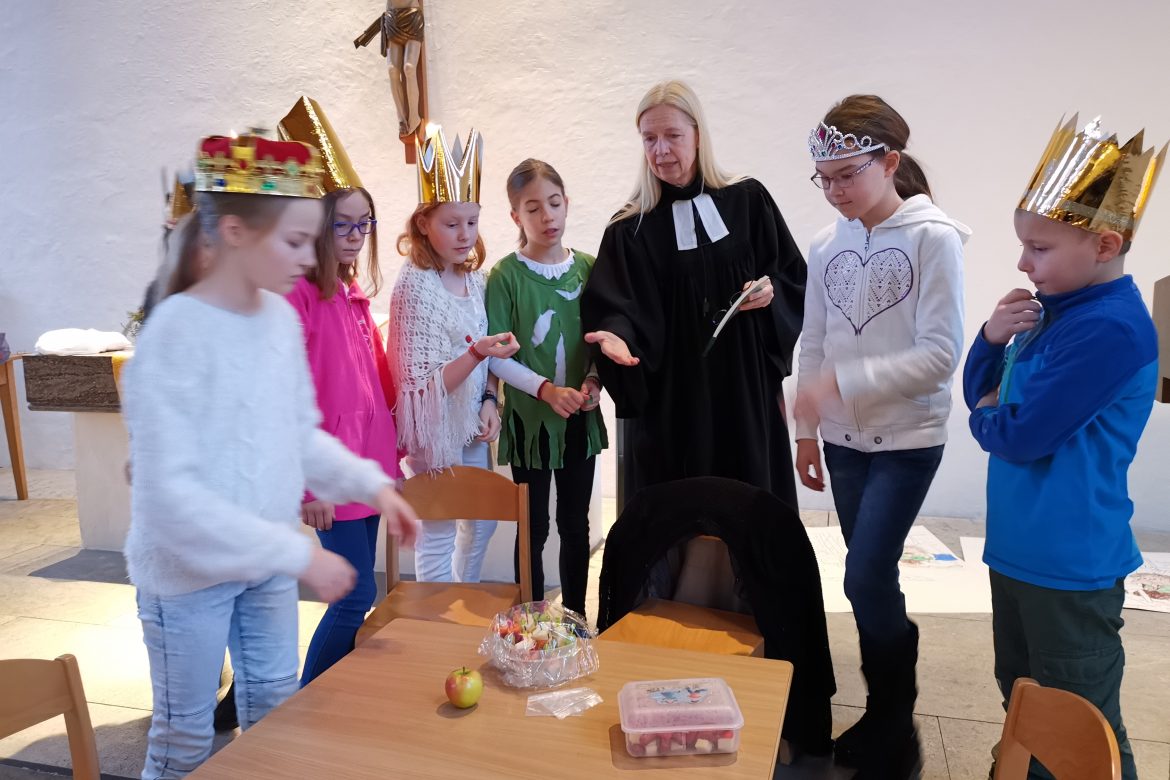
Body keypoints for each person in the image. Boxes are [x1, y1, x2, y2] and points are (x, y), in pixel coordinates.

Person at [122, 134, 420, 779]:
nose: (309, 256)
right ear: (234, 232)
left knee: (276, 722)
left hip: (264, 566)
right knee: (183, 742)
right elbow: (173, 497)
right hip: (187, 575)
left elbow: (300, 434)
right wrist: (299, 554)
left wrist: (371, 485)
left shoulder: (277, 321)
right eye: (294, 240)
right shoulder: (176, 333)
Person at [963, 115, 1162, 780]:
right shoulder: (1051, 311)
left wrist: (989, 417)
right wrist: (991, 339)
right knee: (1025, 704)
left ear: (1105, 243)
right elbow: (984, 396)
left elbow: (1021, 436)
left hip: (1071, 567)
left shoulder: (1111, 330)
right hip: (1020, 551)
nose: (1023, 263)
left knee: (1082, 728)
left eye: (1039, 247)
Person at [794, 95, 968, 777]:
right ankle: (885, 718)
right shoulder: (824, 246)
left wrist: (844, 384)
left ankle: (896, 724)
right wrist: (807, 432)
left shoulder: (934, 239)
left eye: (848, 174)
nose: (835, 191)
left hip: (908, 439)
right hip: (842, 442)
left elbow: (940, 355)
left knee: (864, 574)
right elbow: (813, 341)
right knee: (871, 578)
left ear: (889, 162)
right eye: (824, 178)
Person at [580, 80, 806, 507]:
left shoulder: (748, 201)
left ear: (698, 135)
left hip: (743, 392)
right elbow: (617, 305)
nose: (661, 150)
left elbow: (791, 275)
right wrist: (615, 337)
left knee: (748, 507)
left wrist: (770, 291)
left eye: (673, 135)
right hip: (673, 403)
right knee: (681, 513)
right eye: (650, 138)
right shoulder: (630, 230)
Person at [389, 125, 519, 582]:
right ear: (423, 224)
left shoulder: (475, 279)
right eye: (451, 224)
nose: (465, 234)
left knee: (481, 522)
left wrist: (490, 400)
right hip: (435, 430)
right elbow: (420, 387)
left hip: (470, 422)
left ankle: (467, 599)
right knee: (440, 528)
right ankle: (433, 614)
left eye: (472, 222)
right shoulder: (415, 286)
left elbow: (490, 357)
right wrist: (475, 356)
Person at [289, 185, 402, 685]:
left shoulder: (353, 295)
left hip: (365, 468)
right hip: (330, 478)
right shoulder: (300, 294)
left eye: (365, 223)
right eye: (343, 224)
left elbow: (376, 386)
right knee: (354, 595)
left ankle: (329, 698)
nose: (356, 235)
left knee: (360, 593)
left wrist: (392, 455)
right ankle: (303, 705)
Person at [486, 159, 608, 616]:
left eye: (554, 204)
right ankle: (531, 623)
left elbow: (602, 336)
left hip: (578, 418)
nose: (547, 217)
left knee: (576, 525)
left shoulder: (589, 268)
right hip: (530, 423)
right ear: (515, 216)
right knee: (533, 527)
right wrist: (545, 390)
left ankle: (576, 620)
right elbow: (498, 354)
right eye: (533, 209)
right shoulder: (505, 276)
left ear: (567, 203)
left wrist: (593, 380)